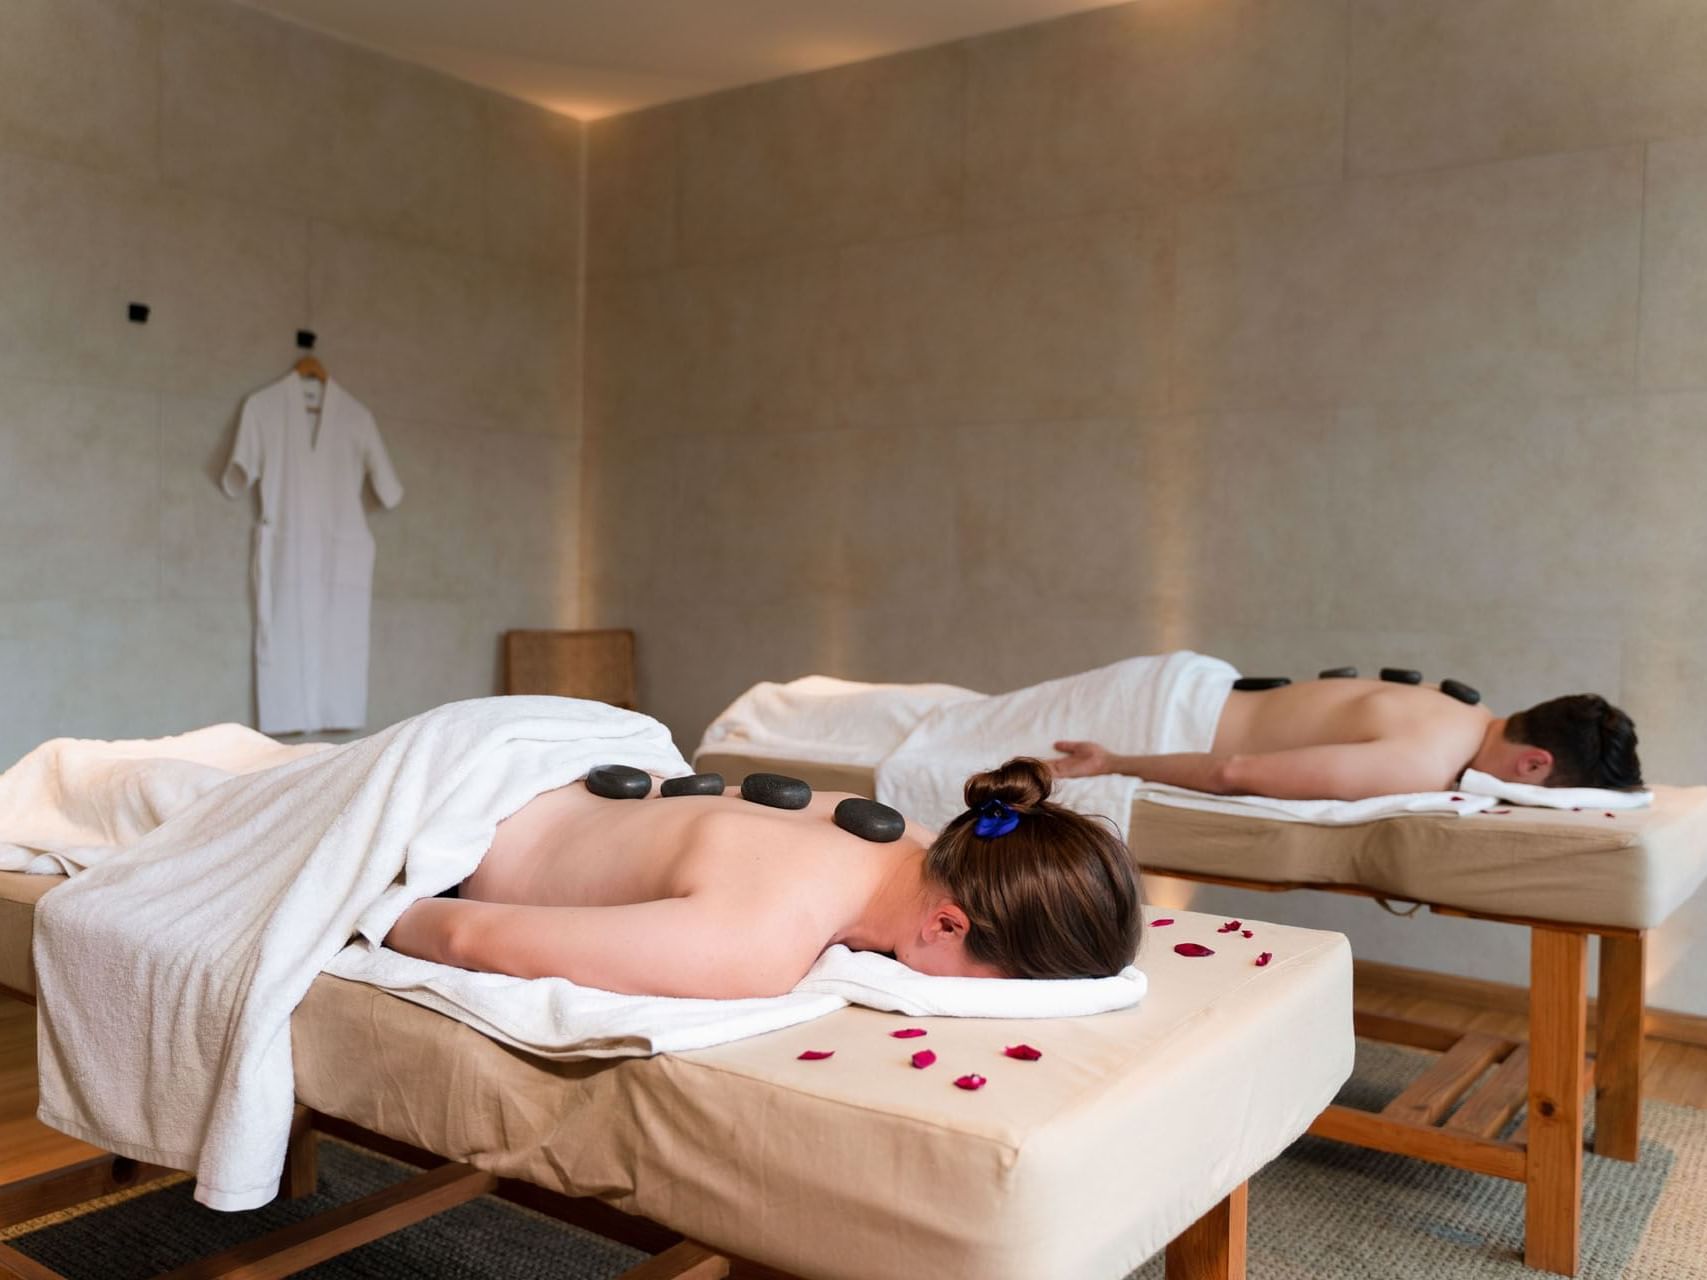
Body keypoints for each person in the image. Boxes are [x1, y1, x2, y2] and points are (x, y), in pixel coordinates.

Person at [386, 756, 1140, 1000]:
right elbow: (461, 931)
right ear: (946, 925)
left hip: (543, 767)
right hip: (457, 804)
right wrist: (362, 907)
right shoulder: (758, 941)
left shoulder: (917, 838)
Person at [1050, 677, 1642, 801]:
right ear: (1535, 765)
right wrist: (1115, 761)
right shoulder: (1425, 764)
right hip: (1154, 724)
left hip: (1187, 680)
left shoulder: (1467, 708)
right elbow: (1234, 772)